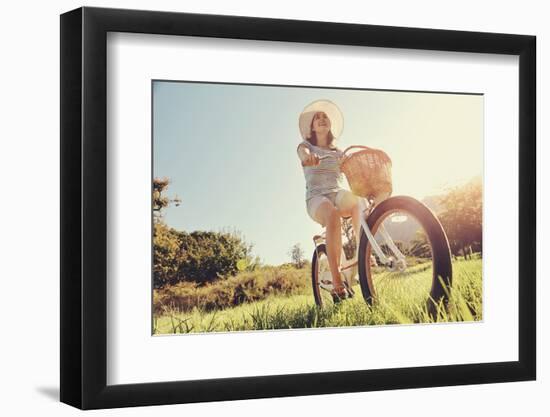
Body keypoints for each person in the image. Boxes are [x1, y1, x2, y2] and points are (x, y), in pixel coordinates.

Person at [296, 99, 361, 300]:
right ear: (312, 127)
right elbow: (302, 153)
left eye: (325, 117)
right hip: (316, 197)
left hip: (336, 192)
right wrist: (307, 158)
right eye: (318, 118)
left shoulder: (338, 152)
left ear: (330, 125)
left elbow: (352, 168)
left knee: (358, 202)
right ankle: (336, 280)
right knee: (332, 215)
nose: (322, 119)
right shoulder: (306, 146)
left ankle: (364, 251)